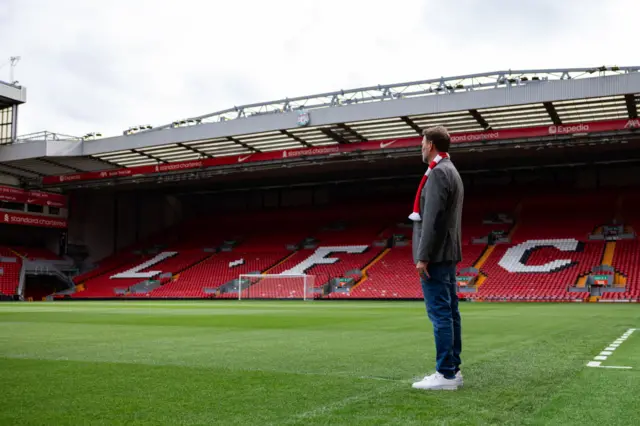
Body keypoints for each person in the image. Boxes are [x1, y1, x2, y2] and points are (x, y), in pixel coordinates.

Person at [410, 126, 464, 391]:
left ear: (430, 144)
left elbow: (433, 220)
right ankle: (452, 369)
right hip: (447, 253)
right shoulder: (450, 171)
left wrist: (423, 257)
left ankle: (445, 374)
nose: (420, 146)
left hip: (437, 255)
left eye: (422, 142)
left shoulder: (439, 173)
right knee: (451, 312)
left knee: (441, 314)